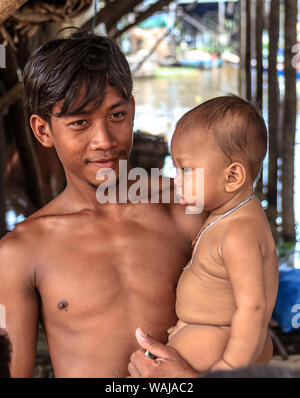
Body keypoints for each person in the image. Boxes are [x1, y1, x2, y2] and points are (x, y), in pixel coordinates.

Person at [0, 30, 272, 378]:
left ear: (131, 111)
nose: (104, 140)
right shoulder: (21, 251)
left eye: (116, 116)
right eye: (80, 123)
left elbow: (256, 331)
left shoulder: (187, 208)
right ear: (43, 131)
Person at [128, 96, 278, 377]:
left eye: (185, 170)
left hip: (220, 343)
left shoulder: (239, 232)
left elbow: (254, 307)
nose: (177, 180)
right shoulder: (227, 213)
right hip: (214, 337)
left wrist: (231, 367)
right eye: (175, 168)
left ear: (232, 177)